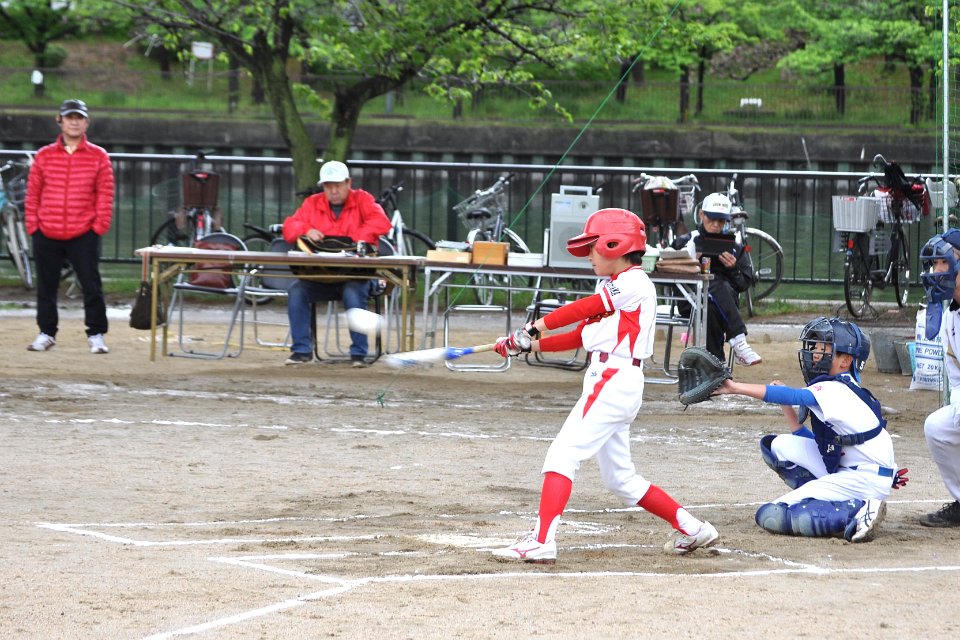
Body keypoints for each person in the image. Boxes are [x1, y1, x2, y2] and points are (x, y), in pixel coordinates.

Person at [490, 208, 720, 564]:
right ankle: (693, 528)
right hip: (613, 379)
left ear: (616, 245)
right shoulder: (613, 285)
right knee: (620, 479)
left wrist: (535, 326)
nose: (589, 255)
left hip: (614, 377)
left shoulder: (633, 281)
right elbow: (581, 336)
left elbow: (583, 309)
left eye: (593, 248)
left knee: (562, 454)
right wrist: (526, 345)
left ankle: (542, 541)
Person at [713, 316, 900, 543]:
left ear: (845, 361)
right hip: (861, 470)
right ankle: (827, 497)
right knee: (778, 446)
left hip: (863, 479)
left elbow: (793, 395)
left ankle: (858, 511)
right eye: (815, 348)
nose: (815, 354)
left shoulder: (835, 389)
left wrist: (734, 387)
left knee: (771, 515)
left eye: (824, 349)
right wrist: (786, 408)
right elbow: (819, 444)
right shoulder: (844, 388)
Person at [24, 98, 114, 354]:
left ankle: (96, 334)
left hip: (83, 231)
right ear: (60, 121)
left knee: (91, 285)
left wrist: (98, 227)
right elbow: (33, 194)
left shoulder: (99, 156)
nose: (74, 122)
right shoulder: (44, 155)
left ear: (87, 122)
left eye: (79, 118)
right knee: (46, 286)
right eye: (69, 117)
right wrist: (33, 226)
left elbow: (105, 194)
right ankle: (46, 333)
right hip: (46, 230)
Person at [281, 160, 392, 366]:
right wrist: (305, 229)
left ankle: (359, 353)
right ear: (323, 187)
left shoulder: (363, 199)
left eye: (338, 185)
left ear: (349, 183)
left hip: (358, 277)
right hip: (322, 277)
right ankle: (301, 351)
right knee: (297, 290)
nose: (333, 191)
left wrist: (355, 239)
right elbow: (289, 227)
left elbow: (382, 222)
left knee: (352, 291)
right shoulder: (312, 203)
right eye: (328, 186)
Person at [680, 193, 761, 366]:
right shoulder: (687, 241)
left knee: (712, 304)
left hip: (721, 304)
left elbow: (744, 284)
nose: (716, 224)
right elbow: (664, 269)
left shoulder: (734, 246)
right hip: (690, 300)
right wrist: (690, 264)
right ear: (702, 215)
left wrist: (733, 269)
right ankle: (739, 341)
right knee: (714, 284)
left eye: (721, 220)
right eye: (712, 218)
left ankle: (716, 368)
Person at [917, 229, 960, 527]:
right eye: (934, 264)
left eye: (944, 262)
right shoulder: (950, 317)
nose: (936, 271)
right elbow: (956, 379)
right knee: (938, 427)